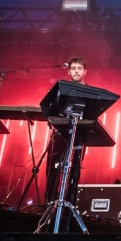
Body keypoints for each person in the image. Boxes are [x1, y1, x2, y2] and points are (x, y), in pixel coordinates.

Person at [45, 57, 88, 204]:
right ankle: (49, 204)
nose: (76, 71)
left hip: (78, 135)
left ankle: (68, 206)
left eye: (79, 68)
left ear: (85, 71)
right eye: (74, 68)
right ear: (69, 71)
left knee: (74, 172)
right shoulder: (61, 89)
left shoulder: (89, 92)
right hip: (59, 134)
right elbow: (49, 108)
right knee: (52, 171)